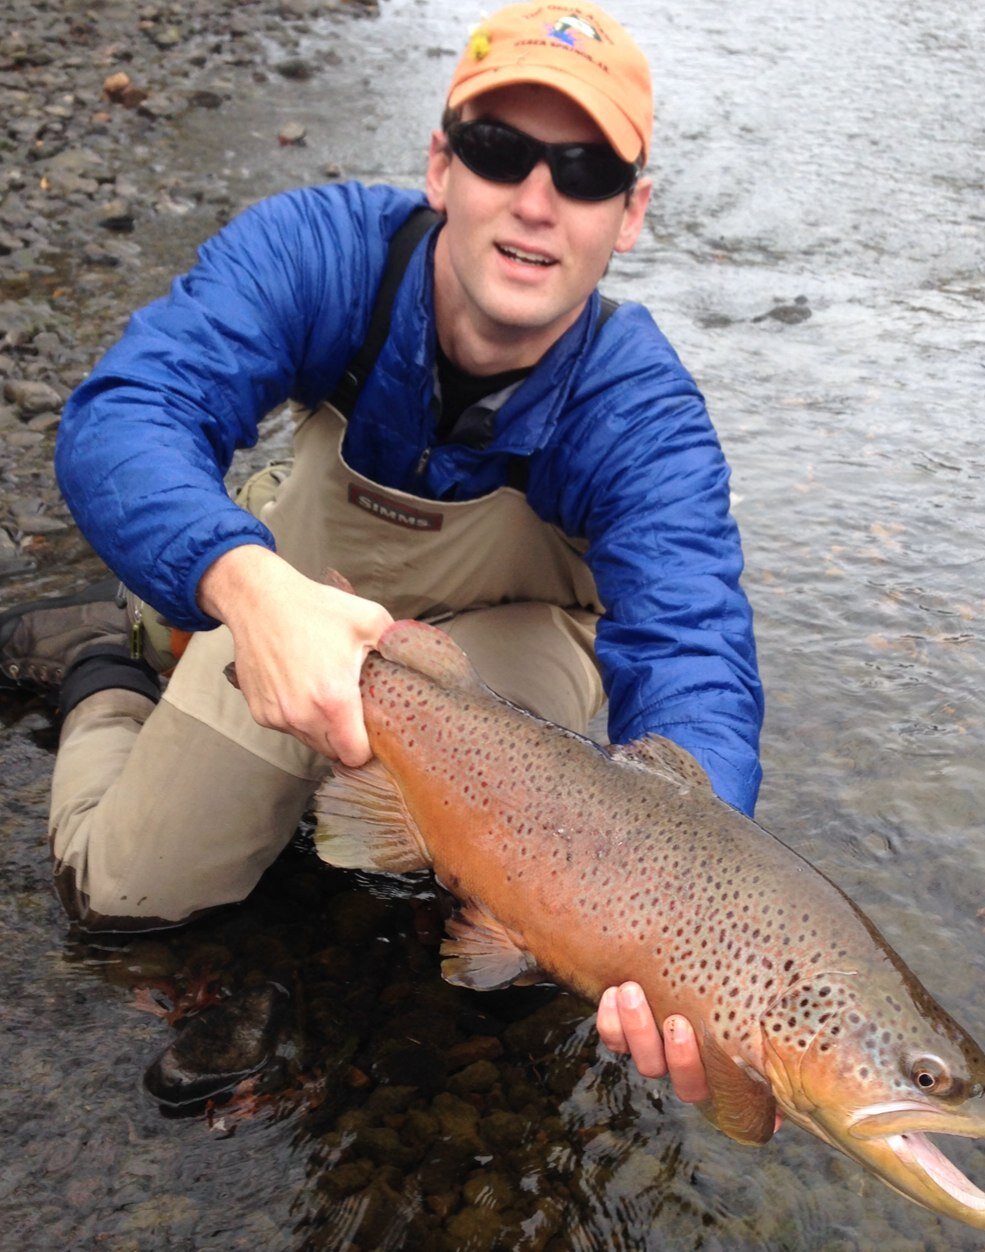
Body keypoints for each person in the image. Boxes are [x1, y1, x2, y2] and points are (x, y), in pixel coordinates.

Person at [0, 2, 762, 1111]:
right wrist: (242, 584)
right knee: (125, 896)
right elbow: (123, 414)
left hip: (500, 668)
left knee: (534, 929)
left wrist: (701, 915)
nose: (537, 200)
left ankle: (340, 794)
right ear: (441, 166)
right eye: (499, 151)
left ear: (630, 213)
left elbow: (692, 648)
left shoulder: (641, 410)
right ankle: (106, 668)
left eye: (586, 170)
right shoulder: (322, 254)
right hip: (302, 604)